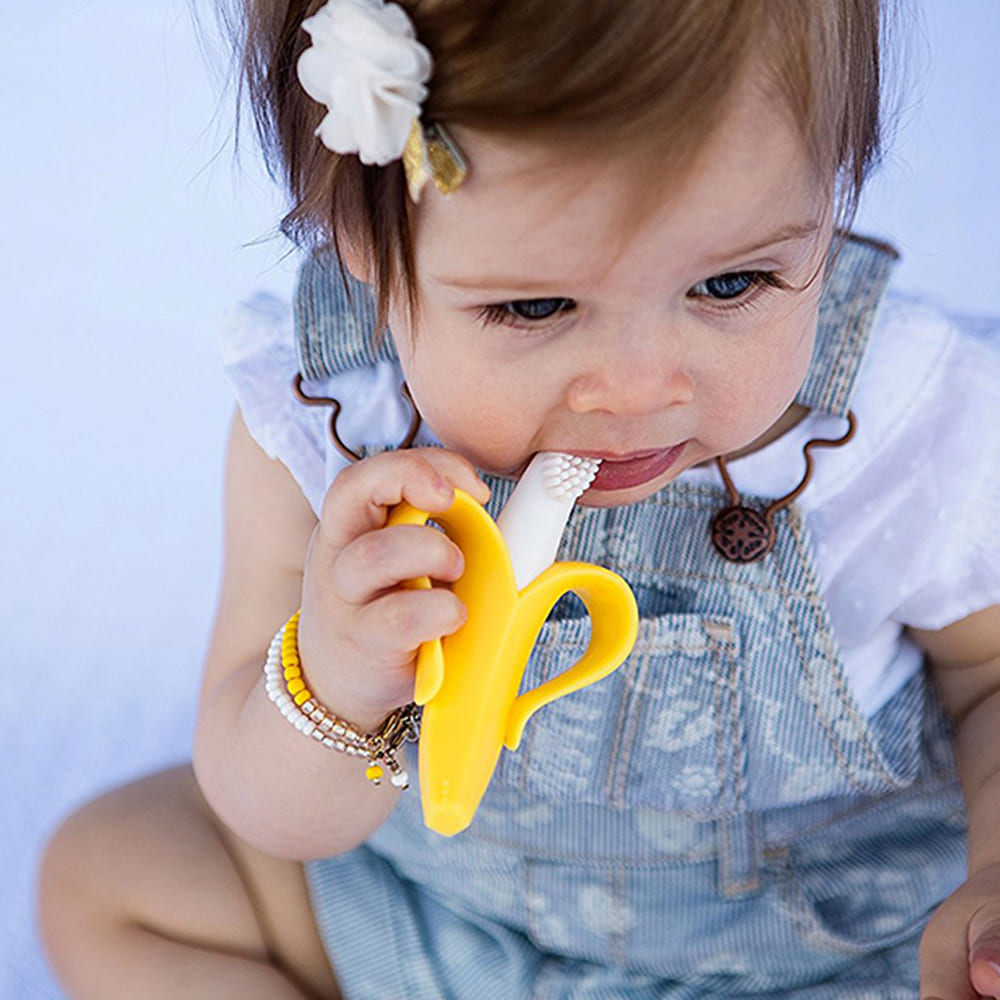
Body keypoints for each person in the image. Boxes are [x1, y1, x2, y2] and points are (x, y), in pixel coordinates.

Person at [38, 0, 1000, 997]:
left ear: (832, 193)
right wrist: (335, 679)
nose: (636, 390)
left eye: (729, 286)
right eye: (536, 306)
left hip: (822, 956)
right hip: (448, 924)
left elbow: (990, 681)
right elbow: (268, 810)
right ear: (364, 247)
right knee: (107, 875)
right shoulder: (334, 423)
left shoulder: (905, 430)